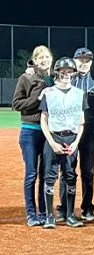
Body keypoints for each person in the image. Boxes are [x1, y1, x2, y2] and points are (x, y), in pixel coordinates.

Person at [39, 57, 88, 228]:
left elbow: (82, 122)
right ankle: (49, 216)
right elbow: (43, 120)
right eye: (63, 72)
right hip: (54, 138)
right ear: (57, 73)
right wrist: (51, 142)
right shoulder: (49, 93)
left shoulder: (79, 94)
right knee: (50, 176)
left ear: (74, 74)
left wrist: (76, 143)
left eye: (69, 72)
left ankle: (69, 215)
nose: (66, 75)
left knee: (70, 176)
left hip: (71, 139)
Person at [13, 45, 52, 227]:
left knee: (45, 174)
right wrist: (36, 98)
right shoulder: (26, 77)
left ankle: (43, 212)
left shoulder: (54, 79)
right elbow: (16, 104)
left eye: (47, 56)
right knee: (31, 173)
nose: (44, 59)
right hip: (30, 130)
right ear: (35, 60)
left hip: (48, 132)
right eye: (40, 57)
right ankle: (31, 213)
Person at [65, 48, 94, 223]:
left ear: (91, 63)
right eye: (80, 59)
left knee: (88, 171)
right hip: (69, 131)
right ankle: (65, 207)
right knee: (67, 169)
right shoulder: (66, 81)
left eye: (87, 60)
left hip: (89, 132)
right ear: (74, 61)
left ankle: (87, 207)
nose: (83, 63)